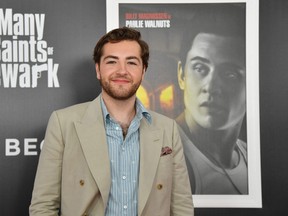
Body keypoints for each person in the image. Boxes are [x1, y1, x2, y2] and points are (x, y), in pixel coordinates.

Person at [29, 27, 194, 215]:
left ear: (143, 71)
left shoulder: (167, 128)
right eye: (112, 61)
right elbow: (43, 206)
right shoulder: (63, 123)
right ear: (98, 70)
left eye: (131, 62)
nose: (121, 71)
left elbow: (181, 206)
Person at [176, 4, 247, 194]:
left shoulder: (249, 155)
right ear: (182, 75)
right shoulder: (163, 153)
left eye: (230, 74)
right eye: (200, 68)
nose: (211, 87)